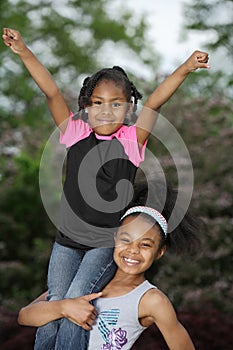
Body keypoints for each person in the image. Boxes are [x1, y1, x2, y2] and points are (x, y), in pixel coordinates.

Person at [2, 27, 209, 350]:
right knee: (57, 303)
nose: (105, 110)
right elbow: (53, 93)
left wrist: (185, 67)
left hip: (102, 242)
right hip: (67, 242)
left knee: (78, 302)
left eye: (115, 104)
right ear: (86, 105)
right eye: (97, 103)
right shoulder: (74, 132)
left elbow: (155, 101)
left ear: (128, 109)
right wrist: (24, 51)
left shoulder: (131, 141)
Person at [18, 178, 201, 350]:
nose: (133, 250)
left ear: (160, 251)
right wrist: (63, 307)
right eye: (125, 240)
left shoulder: (151, 300)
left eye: (145, 244)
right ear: (114, 238)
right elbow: (25, 316)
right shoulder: (86, 277)